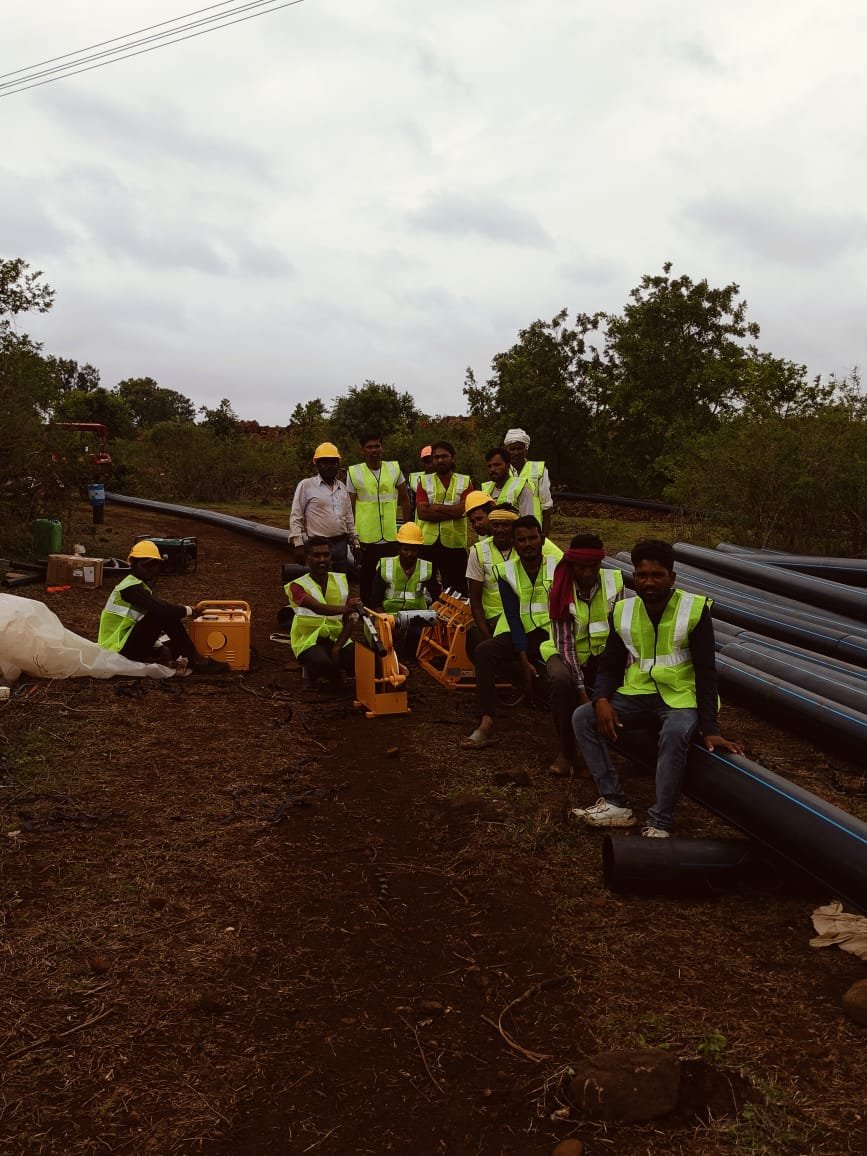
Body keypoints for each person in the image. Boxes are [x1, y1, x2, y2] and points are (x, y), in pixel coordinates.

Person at [570, 538, 742, 836]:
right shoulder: (623, 611)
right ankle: (615, 802)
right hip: (639, 692)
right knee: (583, 717)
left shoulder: (694, 609)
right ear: (634, 577)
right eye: (642, 575)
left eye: (657, 575)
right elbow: (610, 666)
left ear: (671, 578)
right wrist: (601, 699)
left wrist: (710, 728)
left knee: (675, 733)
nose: (649, 582)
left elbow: (706, 671)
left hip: (682, 695)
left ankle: (660, 820)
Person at [461, 515, 559, 750]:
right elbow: (513, 617)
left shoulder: (558, 567)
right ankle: (486, 721)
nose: (528, 544)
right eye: (521, 540)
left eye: (532, 538)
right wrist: (523, 659)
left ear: (542, 539)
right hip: (521, 631)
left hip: (551, 633)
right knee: (484, 651)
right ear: (515, 544)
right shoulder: (506, 571)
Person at [546, 533, 624, 777]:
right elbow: (566, 644)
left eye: (594, 566)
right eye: (582, 567)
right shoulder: (559, 589)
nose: (588, 572)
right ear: (572, 564)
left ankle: (610, 748)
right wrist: (581, 691)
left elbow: (622, 632)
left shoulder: (614, 583)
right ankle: (567, 751)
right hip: (566, 653)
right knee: (562, 681)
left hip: (603, 653)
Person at [98, 539, 229, 674]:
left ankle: (186, 657)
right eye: (145, 565)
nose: (151, 569)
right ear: (134, 565)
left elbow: (137, 622)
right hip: (116, 652)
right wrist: (190, 610)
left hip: (125, 645)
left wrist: (159, 646)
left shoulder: (138, 587)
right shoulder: (129, 589)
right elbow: (162, 611)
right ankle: (196, 660)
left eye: (154, 565)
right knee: (162, 613)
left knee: (171, 641)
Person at [287, 537, 362, 685]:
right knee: (323, 664)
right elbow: (317, 607)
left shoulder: (341, 580)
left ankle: (335, 670)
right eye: (317, 555)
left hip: (336, 637)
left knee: (361, 659)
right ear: (307, 558)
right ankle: (325, 674)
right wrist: (345, 609)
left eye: (326, 555)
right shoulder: (296, 586)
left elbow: (350, 618)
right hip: (308, 640)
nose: (322, 559)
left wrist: (337, 647)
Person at [347, 432, 411, 605]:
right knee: (367, 576)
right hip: (366, 537)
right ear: (363, 450)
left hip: (390, 535)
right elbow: (349, 506)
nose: (374, 450)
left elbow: (405, 499)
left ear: (382, 448)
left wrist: (407, 528)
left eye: (377, 446)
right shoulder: (354, 472)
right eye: (369, 447)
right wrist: (352, 536)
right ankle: (367, 610)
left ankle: (389, 608)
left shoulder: (394, 468)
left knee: (391, 575)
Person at [415, 440, 474, 596]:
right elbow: (422, 513)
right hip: (427, 544)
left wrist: (436, 507)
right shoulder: (423, 481)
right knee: (426, 586)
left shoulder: (465, 481)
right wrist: (453, 510)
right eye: (436, 457)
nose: (440, 460)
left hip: (454, 544)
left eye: (444, 456)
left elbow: (464, 510)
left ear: (453, 458)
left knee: (458, 589)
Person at [289, 442, 359, 567]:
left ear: (338, 465)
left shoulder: (342, 487)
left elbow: (348, 516)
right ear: (317, 464)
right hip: (318, 546)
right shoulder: (306, 485)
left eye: (333, 462)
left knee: (340, 577)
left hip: (341, 545)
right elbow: (296, 515)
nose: (329, 466)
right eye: (325, 462)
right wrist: (298, 543)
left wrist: (355, 541)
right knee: (319, 577)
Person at [370, 522, 433, 659]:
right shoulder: (386, 566)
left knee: (417, 642)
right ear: (398, 548)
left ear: (419, 550)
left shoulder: (426, 568)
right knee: (379, 643)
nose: (410, 554)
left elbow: (436, 595)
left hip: (416, 617)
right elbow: (375, 600)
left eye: (414, 550)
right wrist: (387, 622)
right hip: (389, 616)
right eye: (406, 549)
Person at [503, 428, 553, 537]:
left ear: (526, 450)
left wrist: (545, 536)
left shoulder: (539, 469)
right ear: (506, 451)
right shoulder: (502, 471)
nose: (516, 452)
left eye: (519, 448)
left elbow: (547, 506)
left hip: (533, 530)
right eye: (512, 449)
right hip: (508, 531)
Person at [481, 446, 536, 517]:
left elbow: (528, 519)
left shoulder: (521, 487)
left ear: (508, 465)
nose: (492, 469)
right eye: (489, 466)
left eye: (497, 465)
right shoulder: (485, 489)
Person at [407, 445, 434, 517]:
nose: (430, 465)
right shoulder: (414, 480)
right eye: (427, 462)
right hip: (421, 522)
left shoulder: (446, 478)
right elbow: (410, 507)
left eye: (432, 461)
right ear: (422, 463)